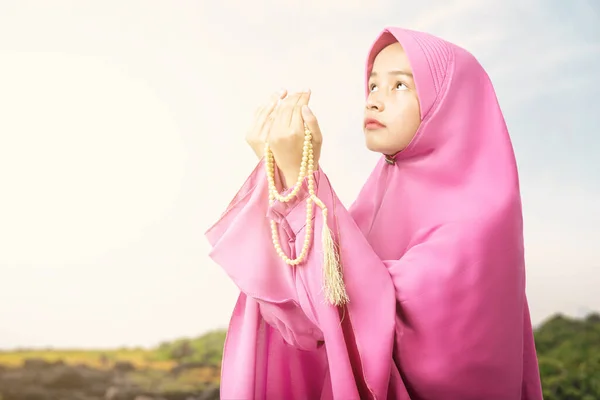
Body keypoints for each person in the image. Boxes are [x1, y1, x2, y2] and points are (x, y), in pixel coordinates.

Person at [206, 26, 543, 400]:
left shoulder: (482, 213)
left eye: (399, 86)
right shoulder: (382, 190)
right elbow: (319, 306)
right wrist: (290, 178)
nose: (374, 101)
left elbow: (380, 319)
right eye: (373, 86)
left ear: (452, 102)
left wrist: (301, 182)